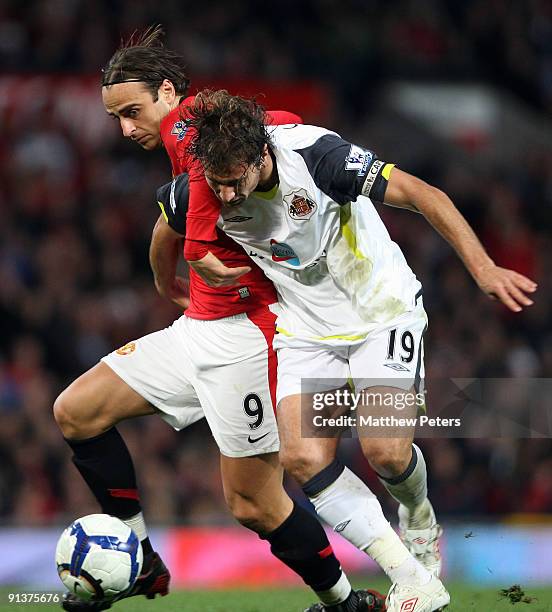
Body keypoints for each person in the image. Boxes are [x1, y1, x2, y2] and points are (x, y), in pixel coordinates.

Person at [54, 26, 385, 612]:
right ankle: (139, 554)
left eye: (132, 113)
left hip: (249, 336)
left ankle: (344, 602)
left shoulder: (191, 125)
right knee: (77, 411)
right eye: (116, 119)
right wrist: (164, 277)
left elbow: (197, 195)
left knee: (254, 504)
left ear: (166, 91)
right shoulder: (199, 149)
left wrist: (174, 266)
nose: (126, 129)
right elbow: (171, 214)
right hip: (198, 329)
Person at [185, 90, 538, 612]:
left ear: (262, 155)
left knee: (386, 453)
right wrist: (179, 272)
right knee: (302, 456)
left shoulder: (318, 157)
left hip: (381, 312)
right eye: (219, 183)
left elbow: (424, 193)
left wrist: (483, 268)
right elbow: (165, 226)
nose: (229, 195)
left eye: (237, 180)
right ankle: (410, 577)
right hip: (305, 328)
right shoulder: (205, 187)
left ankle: (417, 513)